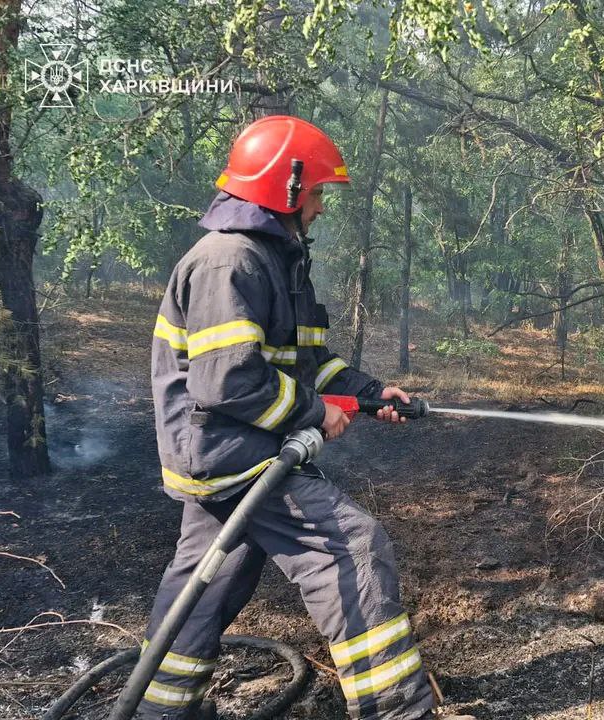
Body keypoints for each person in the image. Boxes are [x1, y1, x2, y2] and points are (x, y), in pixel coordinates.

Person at [142, 115, 460, 720]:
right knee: (352, 547)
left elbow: (303, 360)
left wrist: (368, 394)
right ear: (284, 189)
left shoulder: (272, 259)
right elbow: (226, 381)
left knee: (204, 586)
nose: (320, 206)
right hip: (238, 457)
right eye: (317, 192)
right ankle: (396, 709)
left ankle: (160, 708)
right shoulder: (228, 264)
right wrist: (316, 414)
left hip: (226, 453)